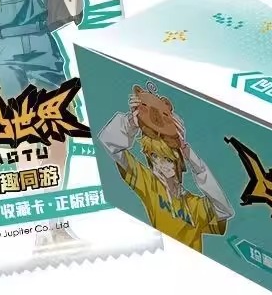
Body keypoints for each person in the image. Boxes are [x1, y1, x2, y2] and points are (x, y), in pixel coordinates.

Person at [97, 88, 233, 253]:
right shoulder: (149, 185)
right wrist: (131, 122)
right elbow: (110, 143)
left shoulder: (194, 205)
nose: (161, 164)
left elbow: (223, 210)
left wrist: (190, 155)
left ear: (178, 162)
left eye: (167, 159)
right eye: (155, 157)